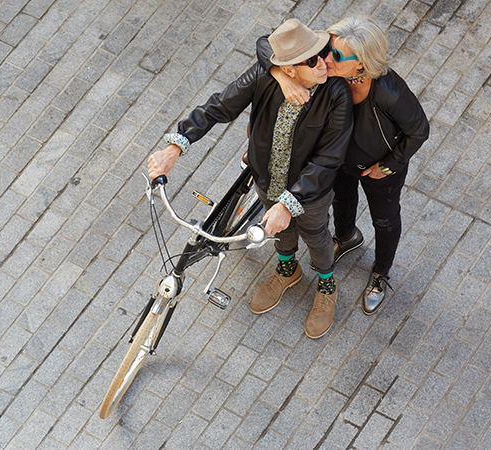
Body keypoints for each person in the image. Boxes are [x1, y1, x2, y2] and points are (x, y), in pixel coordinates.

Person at [147, 19, 352, 339]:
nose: (325, 62)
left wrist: (289, 203)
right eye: (312, 59)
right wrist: (175, 147)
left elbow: (329, 159)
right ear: (289, 69)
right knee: (280, 236)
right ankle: (288, 269)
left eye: (324, 52)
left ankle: (327, 284)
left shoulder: (336, 94)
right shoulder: (266, 76)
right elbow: (217, 107)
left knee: (317, 236)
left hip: (310, 192)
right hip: (267, 178)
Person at [258, 17, 430, 315]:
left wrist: (388, 166)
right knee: (342, 199)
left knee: (385, 220)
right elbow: (265, 44)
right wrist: (282, 76)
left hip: (376, 169)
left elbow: (420, 130)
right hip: (335, 161)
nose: (323, 59)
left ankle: (380, 273)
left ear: (361, 65)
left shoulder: (389, 92)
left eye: (335, 56)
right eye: (326, 50)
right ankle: (347, 237)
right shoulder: (328, 63)